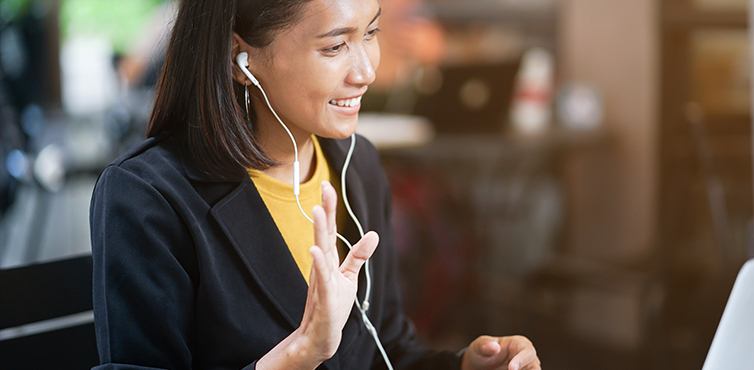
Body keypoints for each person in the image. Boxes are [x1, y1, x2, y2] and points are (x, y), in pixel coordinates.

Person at [89, 0, 541, 369]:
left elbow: (388, 353)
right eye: (334, 47)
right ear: (239, 60)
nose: (365, 71)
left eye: (370, 33)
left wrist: (464, 366)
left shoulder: (356, 165)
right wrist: (300, 354)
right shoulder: (148, 198)